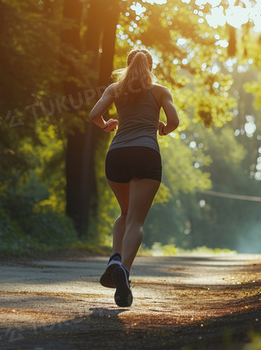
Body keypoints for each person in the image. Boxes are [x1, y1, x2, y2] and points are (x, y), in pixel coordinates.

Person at [89, 49, 179, 307]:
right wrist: (163, 129)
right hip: (146, 154)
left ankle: (115, 257)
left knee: (125, 213)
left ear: (127, 66)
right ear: (150, 66)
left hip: (117, 154)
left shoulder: (115, 89)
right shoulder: (160, 91)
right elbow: (174, 120)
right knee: (137, 220)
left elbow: (94, 115)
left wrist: (106, 124)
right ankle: (124, 270)